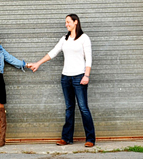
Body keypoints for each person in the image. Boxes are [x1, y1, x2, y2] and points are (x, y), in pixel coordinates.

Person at [29, 14, 95, 147]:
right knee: (69, 108)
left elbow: (89, 58)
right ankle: (66, 138)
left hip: (79, 77)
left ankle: (90, 139)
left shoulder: (84, 38)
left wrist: (86, 75)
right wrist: (38, 63)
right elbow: (53, 52)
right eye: (65, 22)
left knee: (83, 108)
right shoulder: (64, 39)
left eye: (68, 22)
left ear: (76, 22)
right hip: (66, 77)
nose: (66, 24)